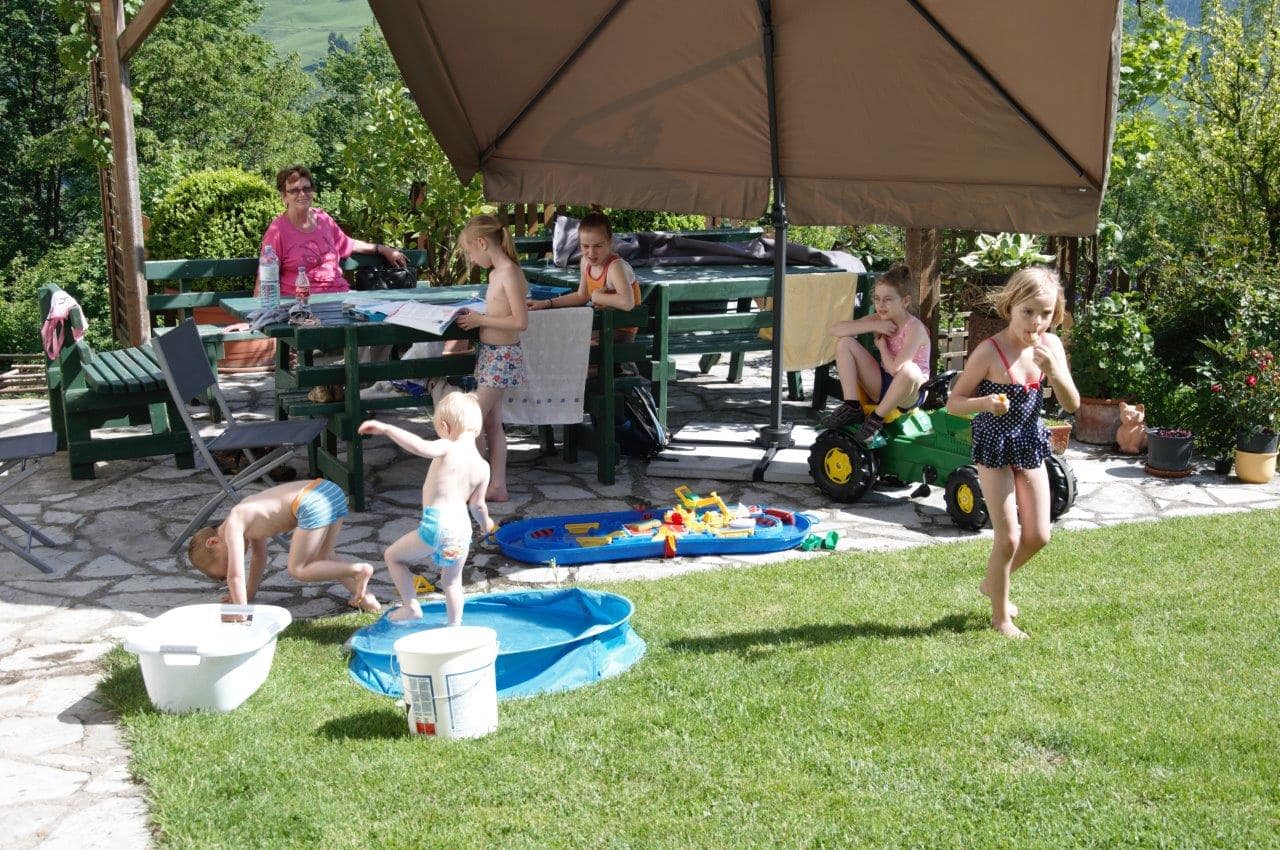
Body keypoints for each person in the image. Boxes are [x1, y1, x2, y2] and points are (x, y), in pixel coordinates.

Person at [945, 266, 1080, 639]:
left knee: (1038, 536)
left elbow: (1072, 404)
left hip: (1029, 442)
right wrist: (985, 403)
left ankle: (992, 582)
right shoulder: (989, 352)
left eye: (1046, 313)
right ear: (1010, 306)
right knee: (1008, 538)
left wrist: (1054, 371)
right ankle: (1000, 617)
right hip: (994, 445)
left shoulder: (1050, 347)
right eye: (1028, 312)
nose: (1036, 322)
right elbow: (953, 403)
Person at [357, 392, 495, 626]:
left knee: (393, 557)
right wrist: (486, 524)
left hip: (438, 524)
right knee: (452, 582)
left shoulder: (447, 446)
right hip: (462, 530)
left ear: (445, 426)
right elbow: (478, 505)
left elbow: (420, 446)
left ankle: (411, 607)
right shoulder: (483, 466)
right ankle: (455, 626)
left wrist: (388, 429)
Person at [187, 478, 380, 613]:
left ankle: (359, 570)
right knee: (325, 556)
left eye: (227, 561)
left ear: (213, 542)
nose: (234, 561)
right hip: (329, 490)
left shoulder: (234, 524)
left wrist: (241, 613)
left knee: (298, 569)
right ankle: (367, 599)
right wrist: (249, 593)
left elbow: (235, 576)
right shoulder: (246, 515)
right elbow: (259, 558)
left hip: (310, 501)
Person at [453, 214, 529, 502]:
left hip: (503, 357)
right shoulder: (496, 274)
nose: (472, 259)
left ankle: (473, 484)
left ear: (482, 243)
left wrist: (480, 320)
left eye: (471, 251)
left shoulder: (509, 272)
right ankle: (497, 486)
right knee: (490, 424)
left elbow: (520, 322)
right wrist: (479, 318)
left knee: (469, 421)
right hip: (489, 354)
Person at [259, 164, 408, 300]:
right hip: (301, 304)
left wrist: (382, 249)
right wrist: (255, 314)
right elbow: (264, 277)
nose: (302, 194)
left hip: (340, 297)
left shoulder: (323, 219)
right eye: (294, 190)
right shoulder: (277, 231)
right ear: (284, 196)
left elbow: (347, 243)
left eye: (306, 188)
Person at [821, 263, 931, 444]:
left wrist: (882, 347)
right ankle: (852, 406)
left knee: (909, 369)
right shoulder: (879, 319)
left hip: (909, 393)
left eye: (888, 299)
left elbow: (896, 369)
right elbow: (835, 330)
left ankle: (876, 419)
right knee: (845, 342)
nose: (880, 305)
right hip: (883, 385)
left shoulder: (914, 328)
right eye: (877, 299)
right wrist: (875, 325)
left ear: (905, 301)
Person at [528, 211, 643, 373]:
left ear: (610, 243)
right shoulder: (585, 263)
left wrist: (598, 296)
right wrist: (547, 303)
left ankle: (619, 369)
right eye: (585, 246)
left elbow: (627, 302)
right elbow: (581, 296)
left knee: (568, 355)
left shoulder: (615, 266)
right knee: (553, 342)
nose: (591, 253)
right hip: (600, 327)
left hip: (619, 333)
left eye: (598, 246)